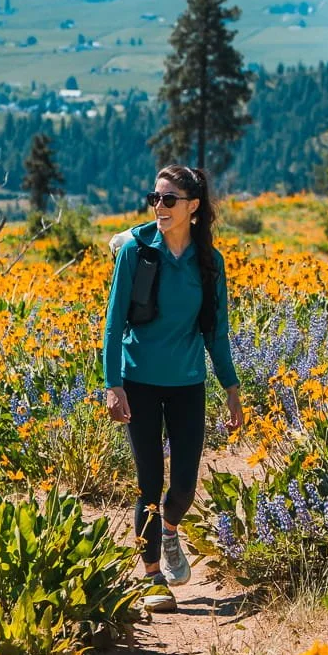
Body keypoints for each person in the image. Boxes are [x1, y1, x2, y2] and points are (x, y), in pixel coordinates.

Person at [103, 165, 243, 611]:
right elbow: (112, 325)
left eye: (169, 200)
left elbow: (215, 333)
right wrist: (113, 385)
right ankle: (150, 577)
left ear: (193, 207)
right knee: (149, 481)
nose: (159, 207)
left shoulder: (209, 263)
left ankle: (168, 531)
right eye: (155, 199)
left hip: (188, 382)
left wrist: (232, 389)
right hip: (139, 380)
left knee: (182, 484)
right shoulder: (136, 252)